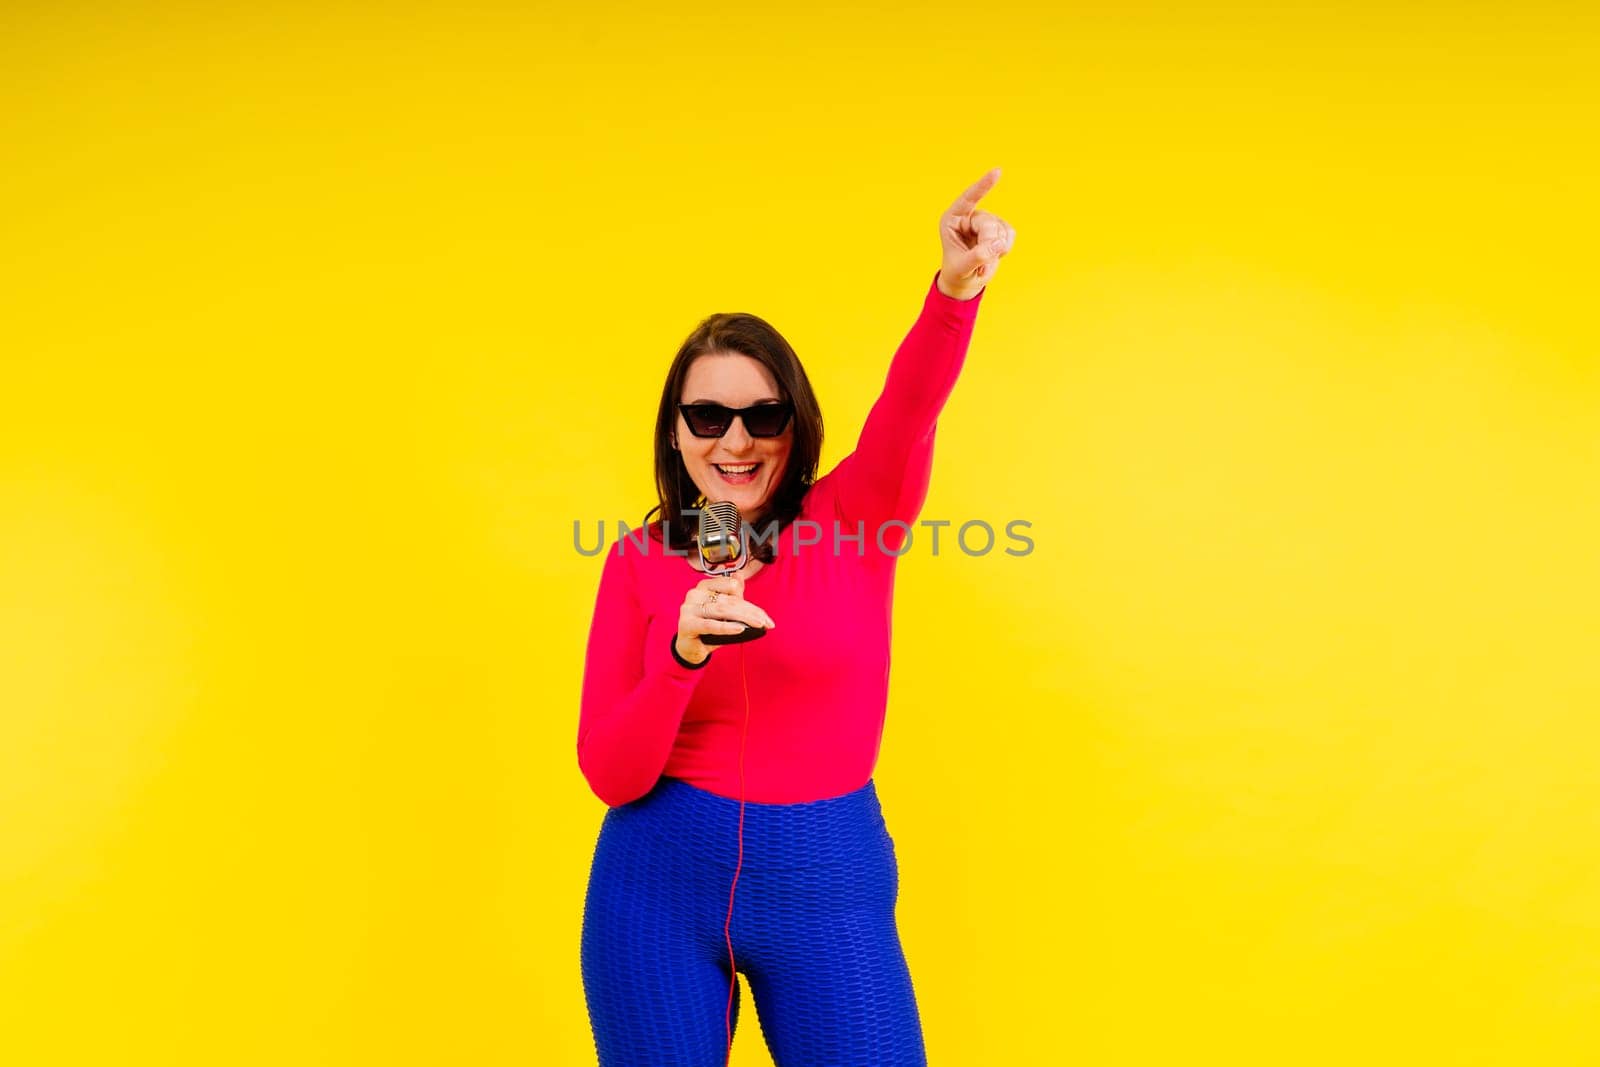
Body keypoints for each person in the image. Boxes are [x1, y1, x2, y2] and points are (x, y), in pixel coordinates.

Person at [576, 168, 1015, 1067]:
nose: (734, 440)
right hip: (655, 885)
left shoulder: (858, 516)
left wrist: (955, 291)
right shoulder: (636, 561)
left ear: (793, 421)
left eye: (760, 413)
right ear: (674, 430)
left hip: (828, 880)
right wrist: (679, 652)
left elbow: (910, 409)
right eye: (707, 414)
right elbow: (610, 772)